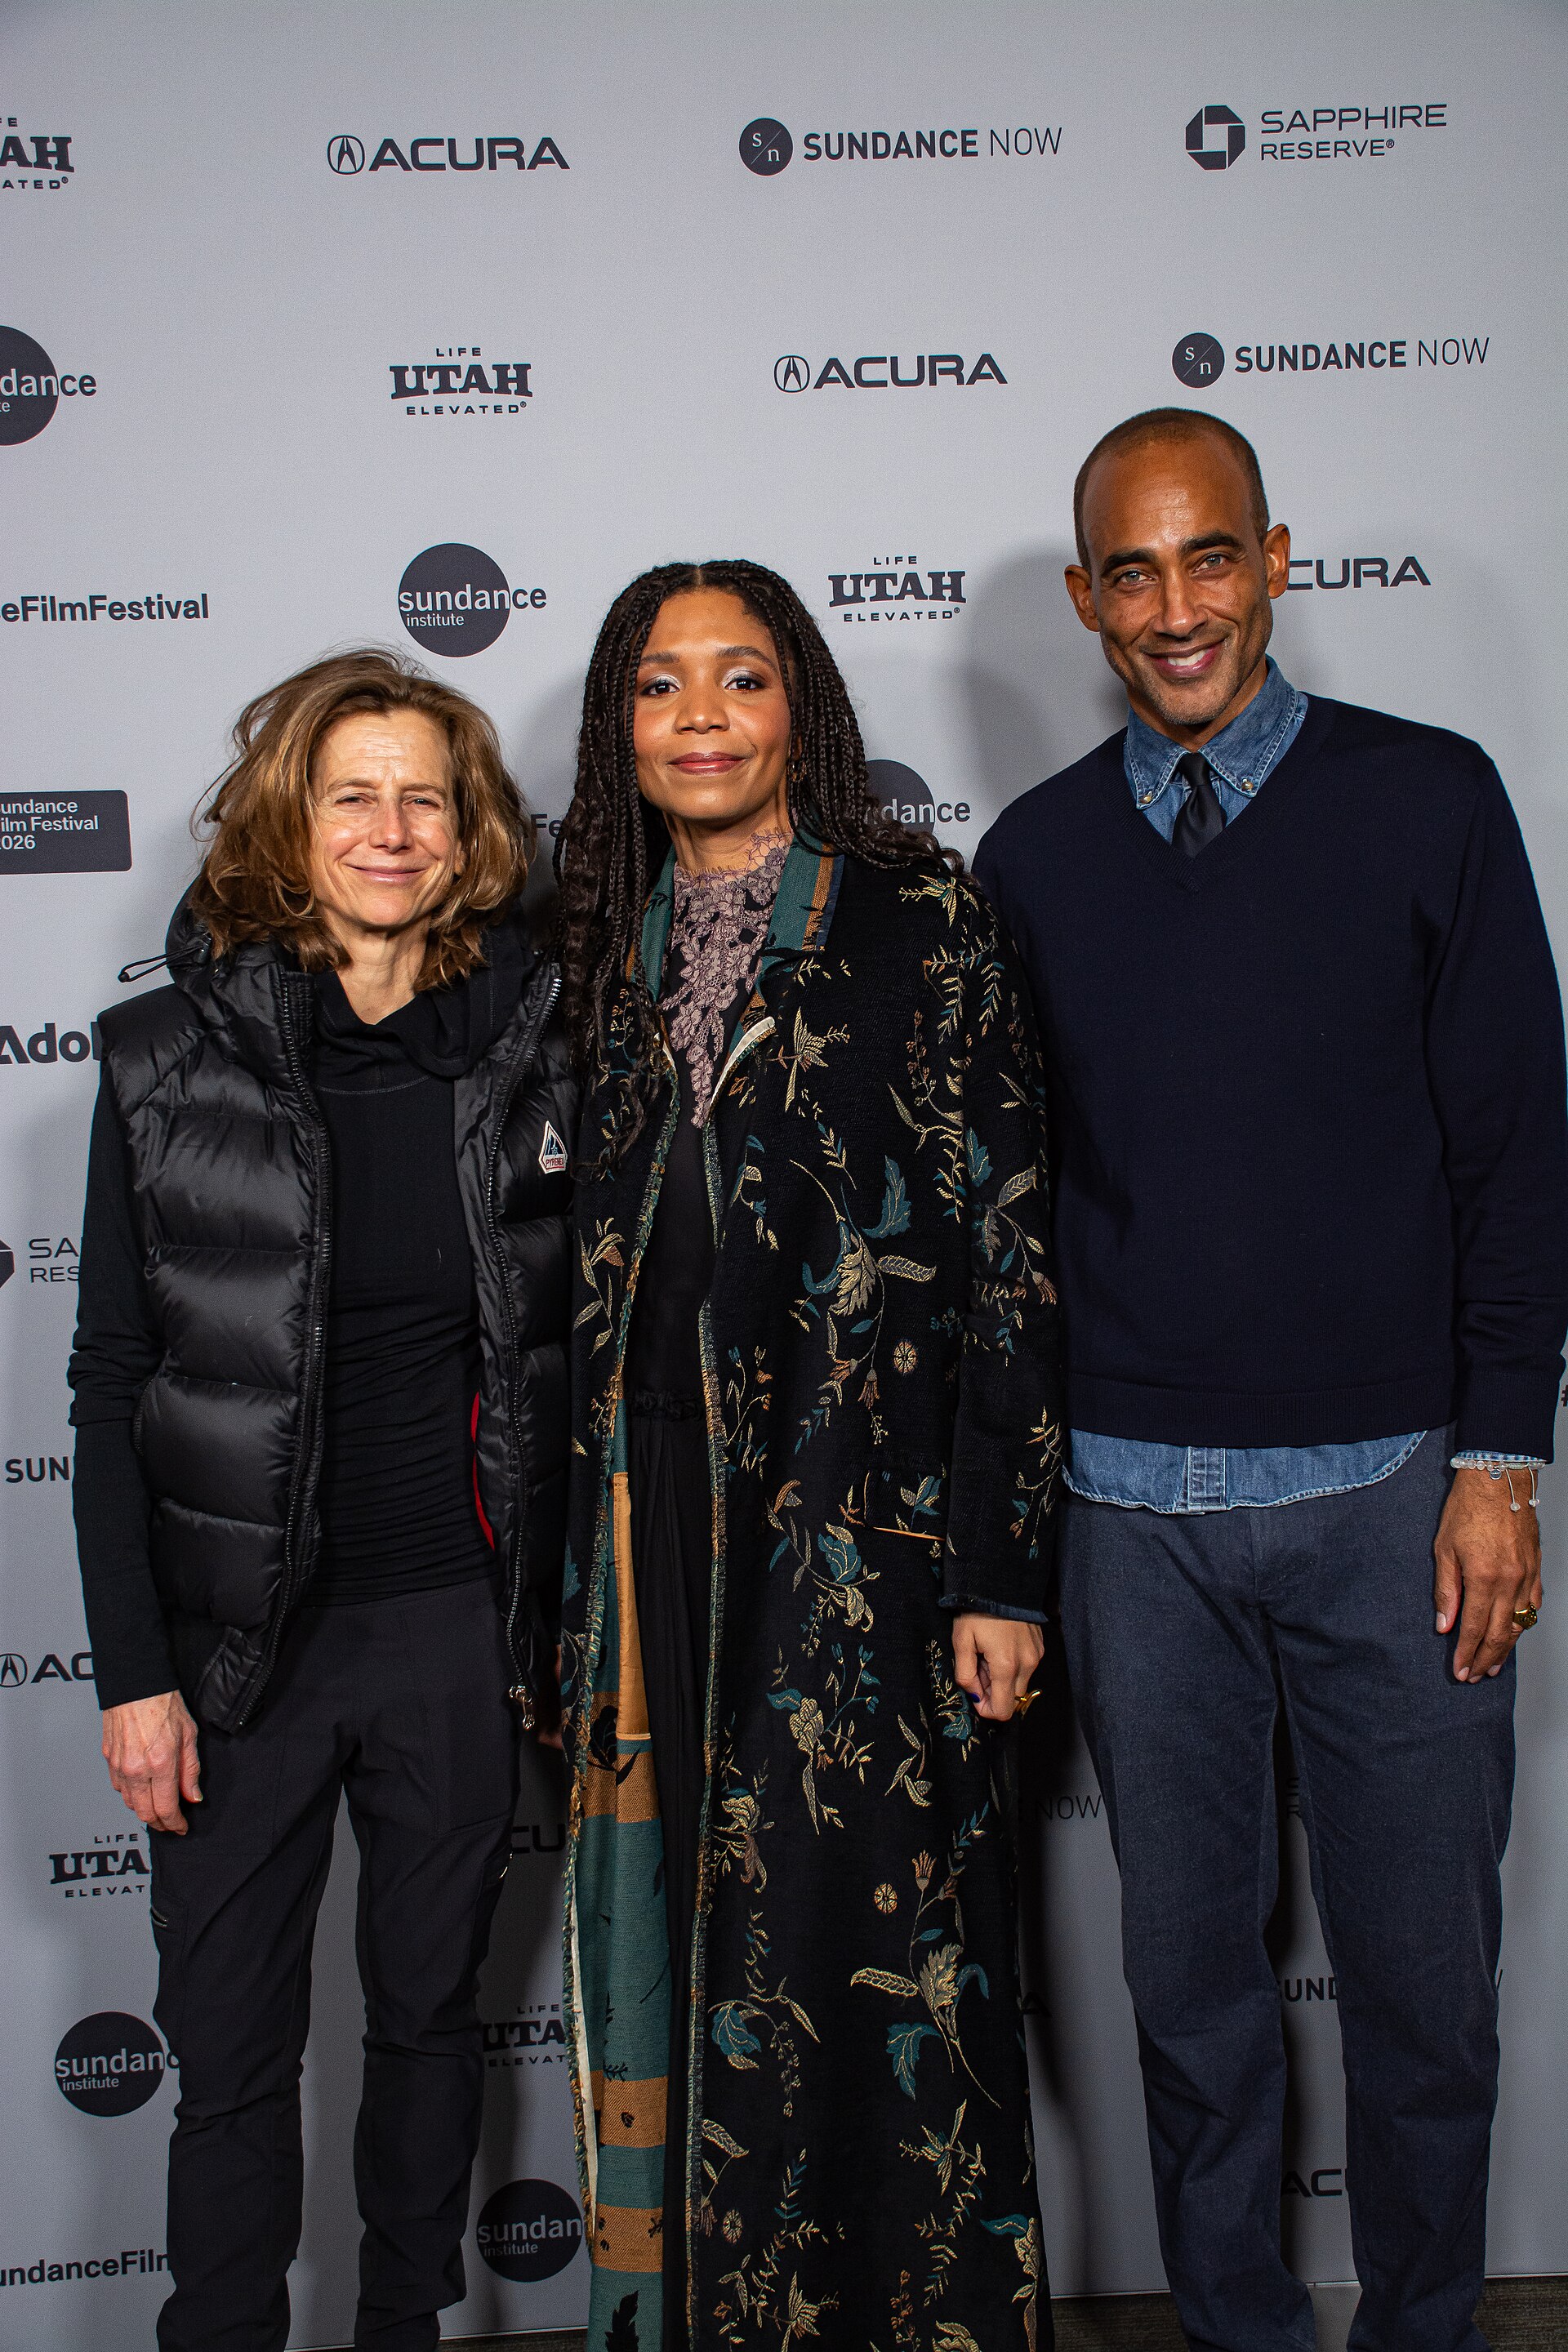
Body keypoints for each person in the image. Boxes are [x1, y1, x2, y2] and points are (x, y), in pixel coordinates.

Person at [974, 408, 1568, 2352]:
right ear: (1087, 599)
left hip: (1399, 1500)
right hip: (1130, 1520)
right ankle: (1238, 2329)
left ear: (1275, 561)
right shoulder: (1035, 856)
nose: (1177, 608)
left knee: (1426, 1996)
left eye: (1211, 556)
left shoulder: (1429, 799)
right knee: (1192, 2005)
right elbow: (1013, 1203)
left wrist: (1500, 1464)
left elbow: (1517, 1155)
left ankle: (1421, 2334)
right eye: (1134, 572)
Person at [552, 559, 1063, 2352]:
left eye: (741, 676)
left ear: (803, 710)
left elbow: (1011, 1256)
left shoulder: (921, 924)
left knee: (876, 1948)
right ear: (619, 727)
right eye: (660, 683)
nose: (700, 715)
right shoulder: (588, 953)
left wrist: (1000, 1568)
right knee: (678, 1928)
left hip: (865, 1529)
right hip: (646, 1517)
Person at [68, 648, 577, 2352]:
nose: (390, 828)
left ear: (472, 829)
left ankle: (399, 2331)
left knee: (429, 2031)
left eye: (424, 796)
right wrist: (135, 1676)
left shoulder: (533, 1048)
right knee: (229, 2063)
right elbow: (108, 1383)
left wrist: (548, 1623)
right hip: (239, 1660)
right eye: (351, 794)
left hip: (450, 1636)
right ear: (289, 821)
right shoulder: (159, 1061)